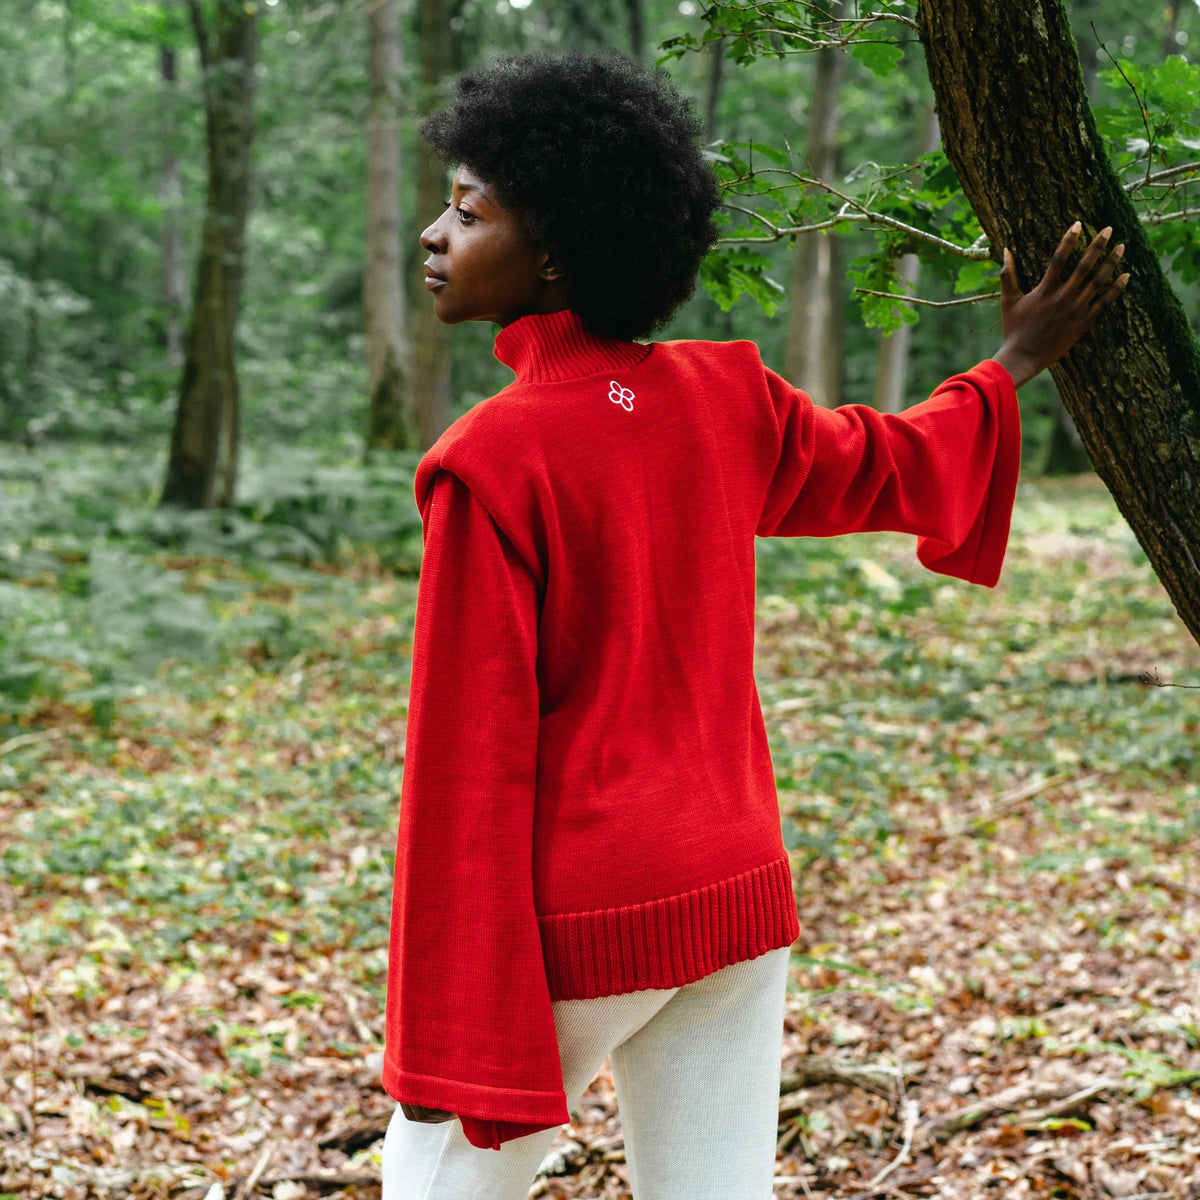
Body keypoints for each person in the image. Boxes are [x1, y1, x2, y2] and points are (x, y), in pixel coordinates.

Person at [377, 48, 1128, 1200]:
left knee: (431, 1182)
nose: (434, 233)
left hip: (589, 915)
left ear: (557, 256)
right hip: (738, 891)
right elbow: (893, 462)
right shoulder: (719, 398)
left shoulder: (489, 463)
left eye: (469, 212)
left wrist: (455, 1027)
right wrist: (1016, 358)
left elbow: (467, 769)